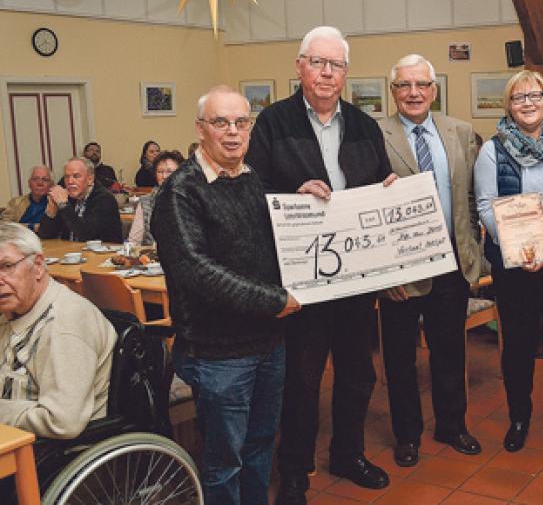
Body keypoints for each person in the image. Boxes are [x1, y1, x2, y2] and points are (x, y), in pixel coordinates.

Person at [246, 26, 395, 501]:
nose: (327, 73)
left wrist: (388, 189)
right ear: (300, 67)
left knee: (358, 372)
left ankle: (348, 454)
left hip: (355, 276)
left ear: (346, 74)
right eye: (318, 62)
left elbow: (375, 181)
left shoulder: (363, 123)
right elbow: (252, 192)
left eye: (336, 65)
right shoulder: (272, 123)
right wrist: (293, 195)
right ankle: (295, 467)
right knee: (302, 378)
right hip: (302, 279)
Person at [152, 86, 302, 504]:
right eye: (221, 122)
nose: (233, 132)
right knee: (224, 461)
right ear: (201, 129)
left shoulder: (253, 179)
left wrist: (302, 205)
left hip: (268, 344)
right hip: (218, 355)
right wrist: (274, 301)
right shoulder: (180, 191)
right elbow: (199, 272)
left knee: (259, 447)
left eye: (241, 122)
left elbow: (272, 239)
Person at [377, 54, 483, 467]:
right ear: (394, 92)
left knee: (450, 350)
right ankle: (407, 435)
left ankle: (452, 425)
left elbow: (471, 197)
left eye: (421, 85)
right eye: (404, 86)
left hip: (452, 264)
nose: (414, 93)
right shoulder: (374, 133)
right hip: (401, 268)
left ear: (434, 90)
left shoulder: (460, 131)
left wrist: (471, 247)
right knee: (400, 358)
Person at [474, 70, 543, 454]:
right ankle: (519, 418)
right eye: (519, 97)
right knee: (518, 346)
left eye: (535, 95)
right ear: (509, 104)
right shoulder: (493, 150)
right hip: (516, 267)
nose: (528, 103)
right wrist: (522, 244)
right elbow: (486, 206)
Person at [0, 222, 115, 439]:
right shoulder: (12, 312)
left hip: (50, 452)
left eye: (7, 266)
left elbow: (62, 422)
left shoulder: (65, 324)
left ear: (38, 266)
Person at [38, 157, 123, 243]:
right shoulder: (67, 197)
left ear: (90, 179)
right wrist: (51, 211)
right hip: (70, 252)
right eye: (67, 177)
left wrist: (64, 205)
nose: (70, 182)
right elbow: (45, 235)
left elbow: (86, 235)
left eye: (76, 176)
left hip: (104, 254)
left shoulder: (104, 199)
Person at [128, 150, 184, 246]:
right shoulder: (145, 202)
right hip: (152, 257)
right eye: (160, 171)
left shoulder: (191, 200)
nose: (164, 176)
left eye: (170, 171)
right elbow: (134, 240)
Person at [2, 166, 53, 230]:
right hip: (20, 238)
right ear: (29, 183)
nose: (40, 183)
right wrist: (32, 227)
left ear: (51, 184)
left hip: (49, 239)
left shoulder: (55, 203)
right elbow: (4, 225)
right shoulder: (16, 203)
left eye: (45, 179)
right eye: (35, 179)